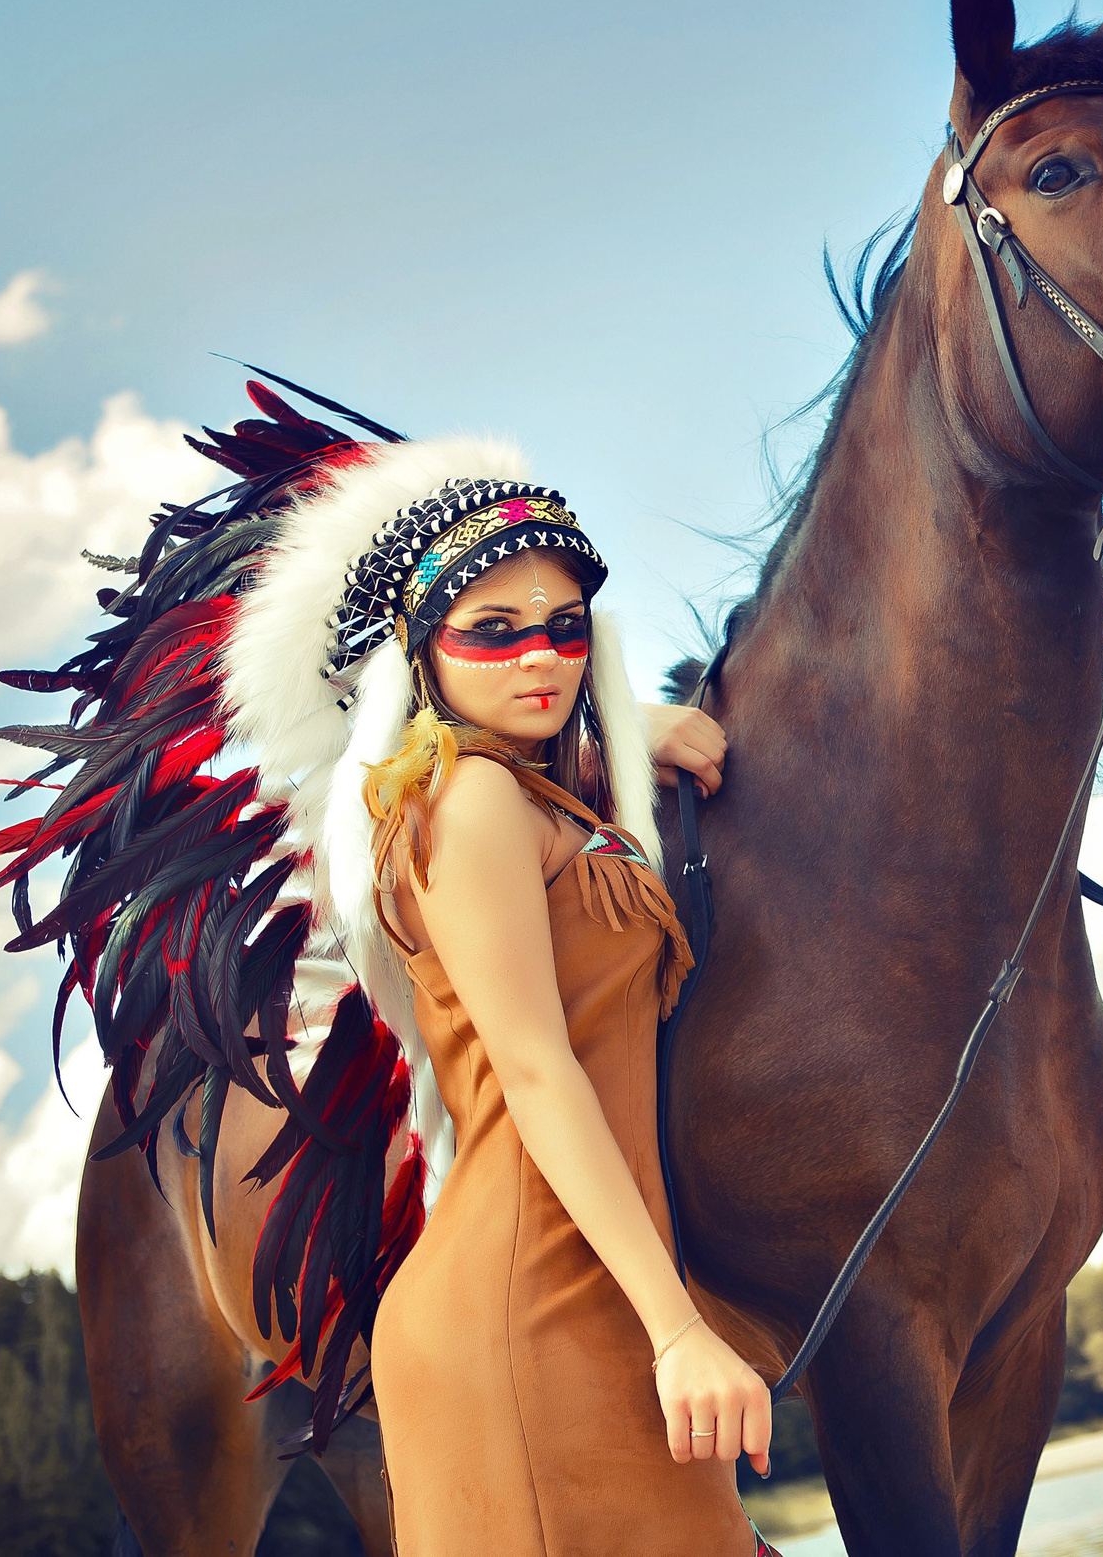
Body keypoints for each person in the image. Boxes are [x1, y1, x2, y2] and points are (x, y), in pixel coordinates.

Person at [284, 461, 774, 1556]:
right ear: (421, 655)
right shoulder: (467, 798)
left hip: (595, 1290)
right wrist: (678, 1325)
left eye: (562, 627)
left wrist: (625, 733)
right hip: (531, 1309)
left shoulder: (541, 797)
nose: (539, 655)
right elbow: (538, 1071)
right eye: (492, 631)